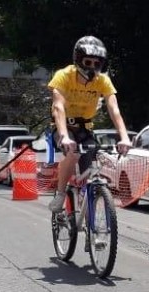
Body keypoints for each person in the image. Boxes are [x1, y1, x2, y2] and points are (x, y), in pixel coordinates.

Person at [47, 36, 132, 212]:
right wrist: (63, 135)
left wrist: (124, 137)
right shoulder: (64, 75)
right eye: (88, 61)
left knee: (89, 168)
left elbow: (114, 109)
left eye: (96, 63)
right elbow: (58, 107)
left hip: (85, 128)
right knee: (72, 152)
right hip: (64, 126)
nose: (92, 67)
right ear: (78, 60)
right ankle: (61, 193)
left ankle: (89, 218)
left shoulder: (103, 80)